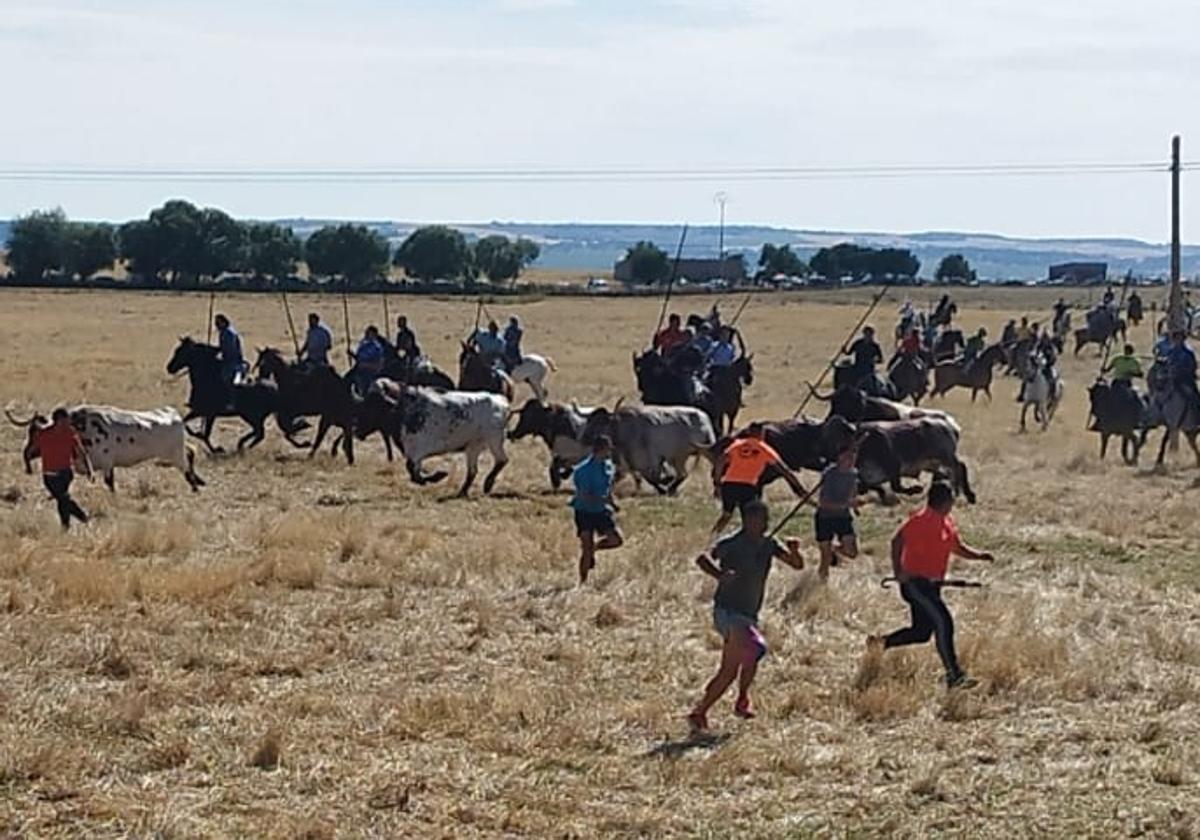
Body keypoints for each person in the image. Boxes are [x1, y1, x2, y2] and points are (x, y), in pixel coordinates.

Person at [688, 499, 804, 732]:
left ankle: (700, 712)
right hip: (727, 611)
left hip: (749, 614)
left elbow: (796, 565)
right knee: (755, 648)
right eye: (758, 520)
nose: (762, 525)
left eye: (765, 520)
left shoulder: (770, 544)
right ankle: (742, 700)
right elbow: (703, 558)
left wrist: (794, 550)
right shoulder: (733, 543)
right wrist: (720, 575)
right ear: (747, 521)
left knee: (729, 670)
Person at [869, 481, 995, 690]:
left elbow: (957, 546)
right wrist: (898, 572)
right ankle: (954, 676)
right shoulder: (919, 521)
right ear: (944, 501)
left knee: (921, 633)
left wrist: (979, 556)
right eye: (952, 499)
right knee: (943, 622)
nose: (953, 502)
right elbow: (896, 542)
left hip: (932, 585)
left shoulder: (946, 522)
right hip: (915, 584)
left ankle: (879, 643)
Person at [712, 423, 807, 534]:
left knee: (726, 515)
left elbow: (720, 461)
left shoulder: (737, 445)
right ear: (761, 434)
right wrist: (798, 487)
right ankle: (748, 542)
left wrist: (717, 483)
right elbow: (784, 470)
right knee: (749, 518)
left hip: (729, 484)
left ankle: (712, 538)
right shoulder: (764, 448)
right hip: (747, 487)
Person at [570, 435, 623, 584]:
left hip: (601, 510)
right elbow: (585, 495)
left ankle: (596, 548)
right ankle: (582, 582)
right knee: (585, 549)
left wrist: (612, 503)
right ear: (600, 449)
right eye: (607, 449)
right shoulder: (583, 470)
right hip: (584, 511)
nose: (609, 452)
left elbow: (608, 488)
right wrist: (604, 500)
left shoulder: (608, 467)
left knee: (616, 540)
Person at [34, 408, 91, 531]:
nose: (68, 422)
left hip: (65, 473)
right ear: (58, 421)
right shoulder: (44, 434)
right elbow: (33, 448)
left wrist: (89, 470)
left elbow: (81, 451)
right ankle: (83, 518)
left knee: (63, 499)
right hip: (49, 476)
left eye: (68, 420)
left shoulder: (70, 432)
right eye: (65, 420)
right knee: (63, 499)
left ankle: (66, 527)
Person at [815, 441, 859, 581]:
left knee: (851, 552)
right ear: (840, 457)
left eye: (853, 457)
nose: (851, 460)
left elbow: (852, 492)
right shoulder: (830, 474)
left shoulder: (853, 474)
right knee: (825, 559)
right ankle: (822, 585)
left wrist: (855, 505)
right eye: (848, 457)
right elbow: (823, 503)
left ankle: (834, 549)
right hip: (825, 517)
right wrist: (845, 504)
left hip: (843, 516)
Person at [350, 325, 385, 394]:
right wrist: (352, 354)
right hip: (359, 371)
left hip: (370, 373)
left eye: (369, 333)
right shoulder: (363, 345)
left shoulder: (377, 348)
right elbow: (359, 358)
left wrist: (366, 365)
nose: (366, 334)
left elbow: (379, 364)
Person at [214, 314, 246, 390]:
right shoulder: (223, 332)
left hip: (233, 363)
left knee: (227, 380)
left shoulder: (229, 333)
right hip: (227, 361)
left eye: (218, 323)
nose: (217, 325)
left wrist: (222, 355)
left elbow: (230, 350)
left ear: (223, 322)